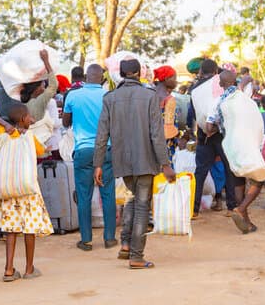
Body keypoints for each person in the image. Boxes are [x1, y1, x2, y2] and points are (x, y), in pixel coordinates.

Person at [94, 59, 175, 269]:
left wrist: (98, 164)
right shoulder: (150, 96)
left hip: (122, 160)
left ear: (121, 74)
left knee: (133, 198)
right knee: (141, 206)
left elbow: (102, 134)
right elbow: (157, 135)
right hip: (146, 159)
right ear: (139, 73)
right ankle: (137, 256)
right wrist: (165, 164)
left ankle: (127, 245)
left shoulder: (110, 98)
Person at [0, 104, 55, 280]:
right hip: (27, 189)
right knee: (29, 228)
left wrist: (6, 125)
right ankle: (29, 269)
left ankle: (9, 269)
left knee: (10, 230)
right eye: (29, 117)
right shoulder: (29, 137)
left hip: (8, 189)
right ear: (22, 119)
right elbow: (41, 151)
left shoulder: (4, 134)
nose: (31, 119)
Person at [63, 64, 117, 251]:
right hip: (106, 149)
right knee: (108, 193)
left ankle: (86, 240)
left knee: (84, 195)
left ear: (85, 76)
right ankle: (109, 238)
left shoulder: (73, 95)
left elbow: (66, 122)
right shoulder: (108, 96)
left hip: (83, 150)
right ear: (102, 78)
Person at [206, 69, 265, 233]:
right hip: (246, 143)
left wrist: (219, 126)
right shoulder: (243, 98)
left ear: (220, 84)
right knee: (259, 178)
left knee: (238, 182)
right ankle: (241, 209)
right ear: (235, 81)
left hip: (228, 145)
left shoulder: (217, 102)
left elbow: (209, 127)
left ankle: (246, 222)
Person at [187, 59, 239, 215]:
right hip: (223, 132)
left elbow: (193, 114)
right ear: (216, 72)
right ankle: (231, 207)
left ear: (201, 72)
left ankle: (194, 210)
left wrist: (197, 131)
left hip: (204, 133)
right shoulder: (221, 84)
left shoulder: (195, 89)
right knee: (229, 169)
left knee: (200, 171)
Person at [153, 65, 180, 161]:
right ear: (167, 78)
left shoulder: (149, 94)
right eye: (175, 78)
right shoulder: (169, 99)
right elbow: (168, 130)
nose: (176, 81)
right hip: (165, 144)